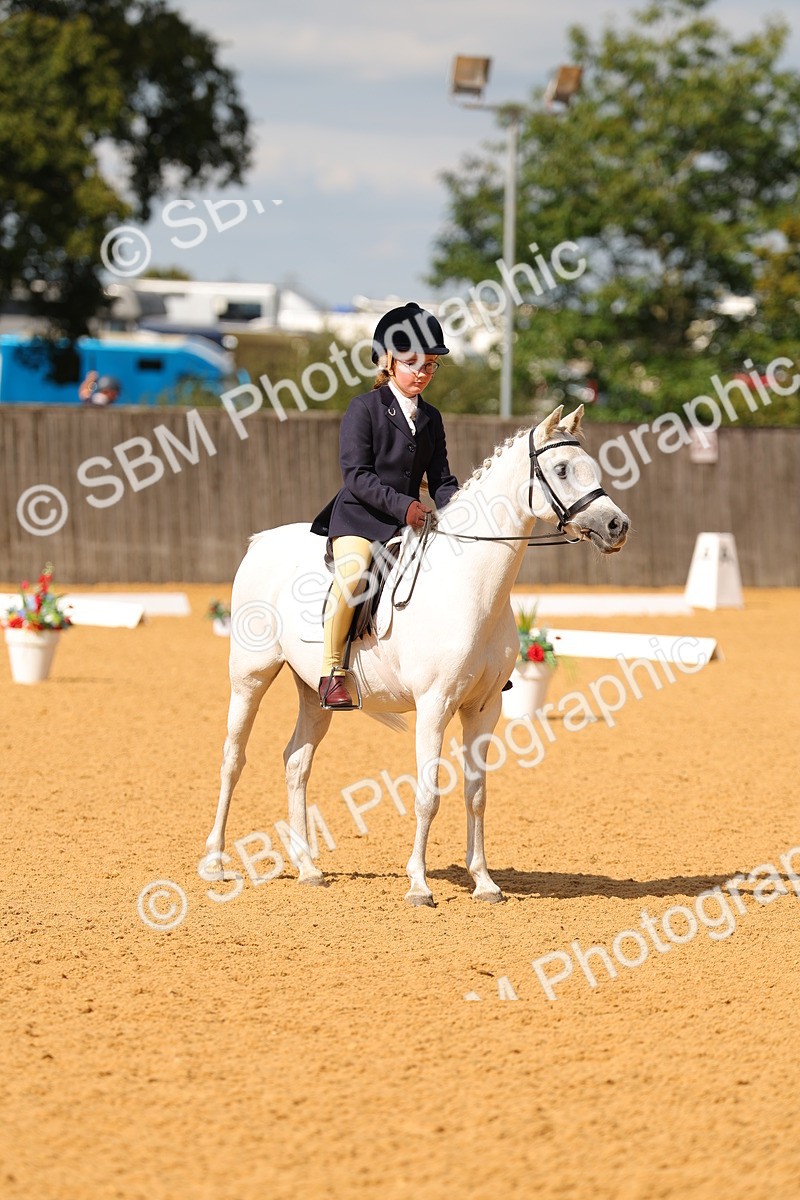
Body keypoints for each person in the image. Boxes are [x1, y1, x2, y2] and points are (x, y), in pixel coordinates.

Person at [310, 301, 460, 709]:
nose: (422, 373)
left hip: (408, 522)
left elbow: (442, 479)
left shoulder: (432, 418)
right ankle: (332, 670)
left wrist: (458, 511)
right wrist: (407, 507)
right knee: (355, 575)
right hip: (362, 518)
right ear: (389, 362)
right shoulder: (364, 408)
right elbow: (357, 475)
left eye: (430, 365)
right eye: (413, 363)